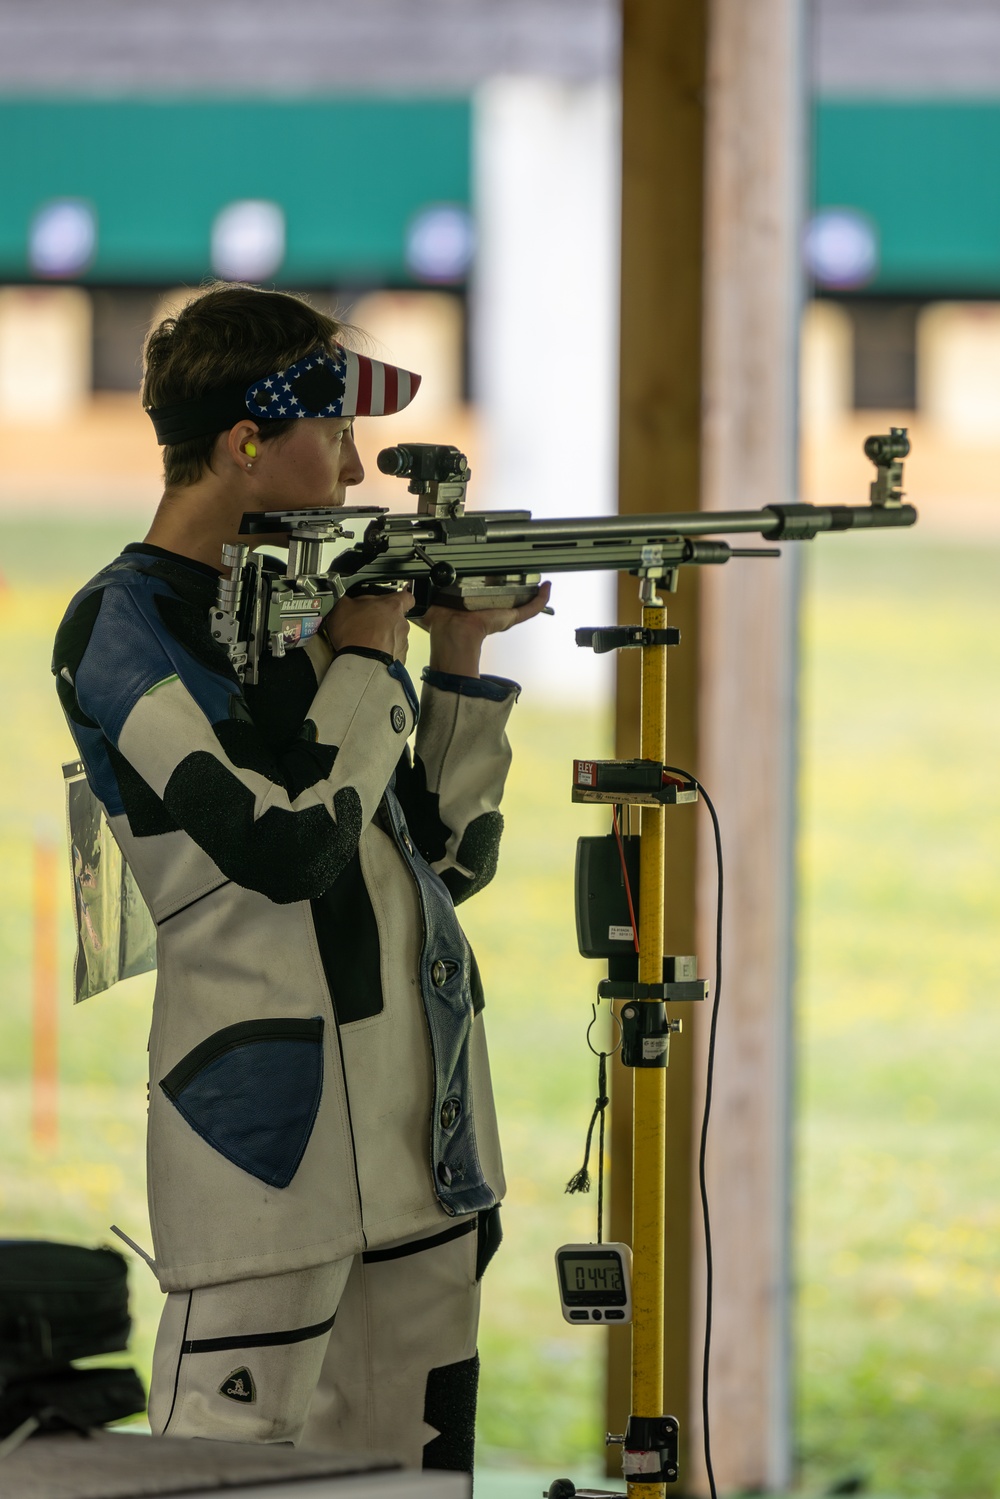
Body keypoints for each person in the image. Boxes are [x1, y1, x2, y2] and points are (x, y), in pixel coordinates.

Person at [51, 284, 549, 1472]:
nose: (358, 459)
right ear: (243, 442)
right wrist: (373, 648)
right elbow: (284, 847)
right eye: (333, 429)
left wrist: (459, 663)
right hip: (267, 1146)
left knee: (412, 1471)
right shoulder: (121, 627)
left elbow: (437, 860)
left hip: (417, 1142)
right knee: (227, 1461)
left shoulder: (306, 612)